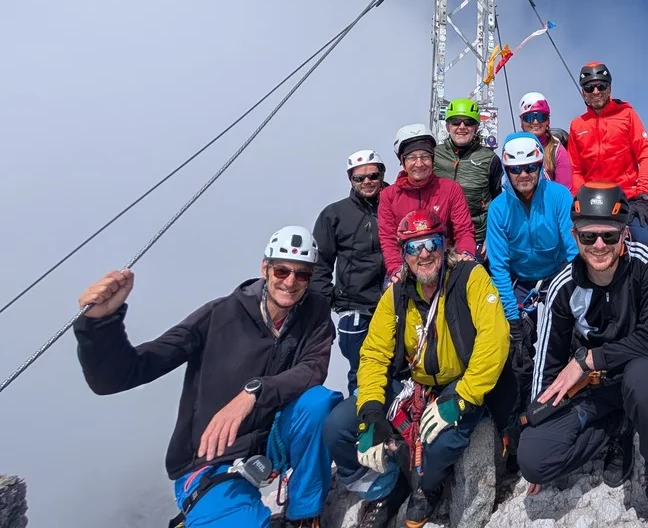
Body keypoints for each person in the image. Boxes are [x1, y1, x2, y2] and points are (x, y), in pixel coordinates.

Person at [73, 226, 341, 528]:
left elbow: (312, 370)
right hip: (212, 458)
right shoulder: (219, 315)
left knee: (320, 402)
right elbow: (121, 375)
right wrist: (100, 324)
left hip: (272, 443)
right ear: (265, 268)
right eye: (281, 270)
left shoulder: (314, 312)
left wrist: (253, 393)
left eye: (301, 274)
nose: (290, 282)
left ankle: (304, 515)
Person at [322, 209, 514, 528]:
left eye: (431, 243)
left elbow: (495, 338)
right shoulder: (396, 295)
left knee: (435, 449)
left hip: (461, 382)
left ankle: (427, 484)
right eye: (414, 247)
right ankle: (390, 486)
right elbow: (374, 354)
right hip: (413, 384)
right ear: (404, 254)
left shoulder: (470, 278)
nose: (424, 254)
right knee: (338, 428)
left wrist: (463, 397)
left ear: (444, 244)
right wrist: (370, 413)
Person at [518, 182, 648, 528]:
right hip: (596, 390)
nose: (598, 245)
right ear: (574, 235)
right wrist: (537, 418)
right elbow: (548, 361)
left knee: (644, 384)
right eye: (588, 236)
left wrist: (587, 360)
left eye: (609, 236)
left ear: (625, 234)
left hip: (642, 370)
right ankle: (618, 428)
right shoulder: (563, 287)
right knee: (533, 458)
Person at [485, 132, 579, 408]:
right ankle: (519, 413)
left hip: (557, 275)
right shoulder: (499, 209)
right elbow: (499, 267)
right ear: (507, 170)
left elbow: (572, 250)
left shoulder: (559, 196)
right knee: (515, 349)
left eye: (530, 167)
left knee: (569, 336)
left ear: (540, 166)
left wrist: (576, 295)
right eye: (516, 169)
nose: (523, 174)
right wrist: (513, 320)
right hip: (521, 283)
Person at [312, 149, 390, 395]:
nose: (367, 182)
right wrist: (321, 314)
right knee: (361, 370)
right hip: (354, 306)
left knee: (396, 369)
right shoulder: (334, 214)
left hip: (395, 302)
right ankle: (361, 425)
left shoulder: (396, 205)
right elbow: (320, 266)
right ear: (351, 180)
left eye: (373, 176)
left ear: (382, 174)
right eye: (359, 178)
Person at [567, 62, 648, 243]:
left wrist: (642, 196)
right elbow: (576, 170)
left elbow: (645, 156)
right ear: (582, 92)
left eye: (601, 86)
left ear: (609, 88)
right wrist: (581, 199)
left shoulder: (627, 115)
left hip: (628, 200)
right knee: (578, 252)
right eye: (589, 87)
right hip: (593, 203)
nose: (596, 92)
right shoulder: (577, 126)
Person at [379, 124, 476, 280]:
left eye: (425, 156)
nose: (419, 163)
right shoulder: (389, 196)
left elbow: (464, 229)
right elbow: (388, 238)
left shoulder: (450, 189)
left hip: (444, 262)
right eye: (411, 157)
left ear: (432, 159)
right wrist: (395, 269)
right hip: (407, 265)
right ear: (402, 162)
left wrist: (465, 253)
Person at [433, 98, 503, 259]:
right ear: (447, 126)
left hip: (476, 235)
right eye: (456, 122)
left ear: (476, 127)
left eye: (469, 122)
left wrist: (492, 237)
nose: (462, 127)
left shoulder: (490, 159)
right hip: (439, 236)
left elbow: (498, 201)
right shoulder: (434, 155)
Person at [517, 92, 572, 189]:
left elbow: (565, 191)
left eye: (541, 117)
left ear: (548, 121)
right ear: (522, 122)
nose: (535, 122)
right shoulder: (513, 148)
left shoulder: (556, 150)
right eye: (529, 117)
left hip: (550, 203)